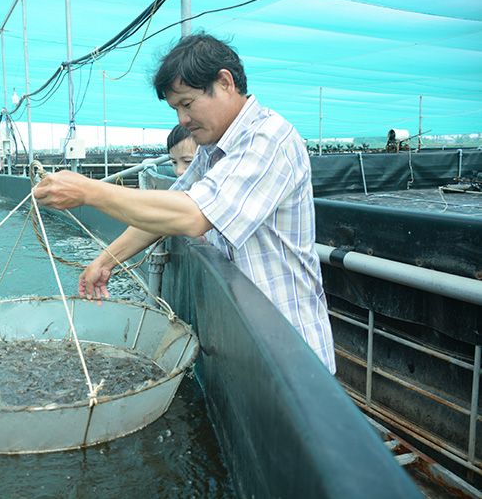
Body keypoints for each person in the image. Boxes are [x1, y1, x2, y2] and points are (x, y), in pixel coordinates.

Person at [33, 33, 335, 373]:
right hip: (253, 340)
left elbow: (193, 215)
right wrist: (107, 259)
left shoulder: (268, 139)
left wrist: (90, 192)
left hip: (292, 349)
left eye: (187, 104)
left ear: (224, 82)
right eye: (176, 108)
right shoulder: (212, 150)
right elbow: (170, 208)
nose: (182, 120)